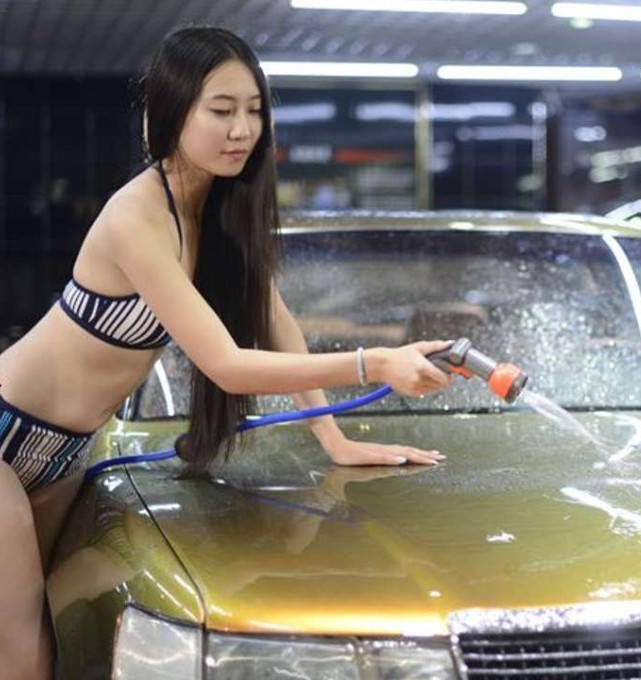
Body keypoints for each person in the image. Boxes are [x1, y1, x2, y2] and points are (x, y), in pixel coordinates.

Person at [0, 26, 451, 679]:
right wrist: (375, 364)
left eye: (254, 109)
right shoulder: (137, 216)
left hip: (67, 451)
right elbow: (227, 365)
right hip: (8, 434)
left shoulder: (219, 210)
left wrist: (334, 439)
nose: (242, 129)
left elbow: (279, 324)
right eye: (221, 110)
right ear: (168, 115)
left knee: (52, 635)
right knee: (25, 655)